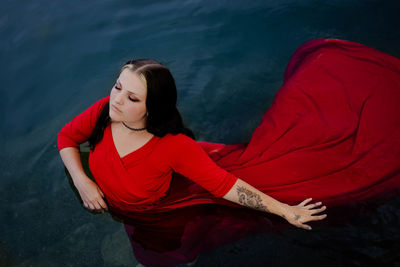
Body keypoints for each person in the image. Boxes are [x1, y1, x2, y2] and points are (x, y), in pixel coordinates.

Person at [58, 38, 400, 266]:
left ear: (153, 108)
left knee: (161, 256)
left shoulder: (174, 148)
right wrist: (83, 181)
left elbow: (226, 187)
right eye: (118, 86)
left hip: (161, 218)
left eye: (132, 97)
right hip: (125, 208)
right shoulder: (106, 110)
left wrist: (285, 211)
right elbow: (66, 138)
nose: (117, 98)